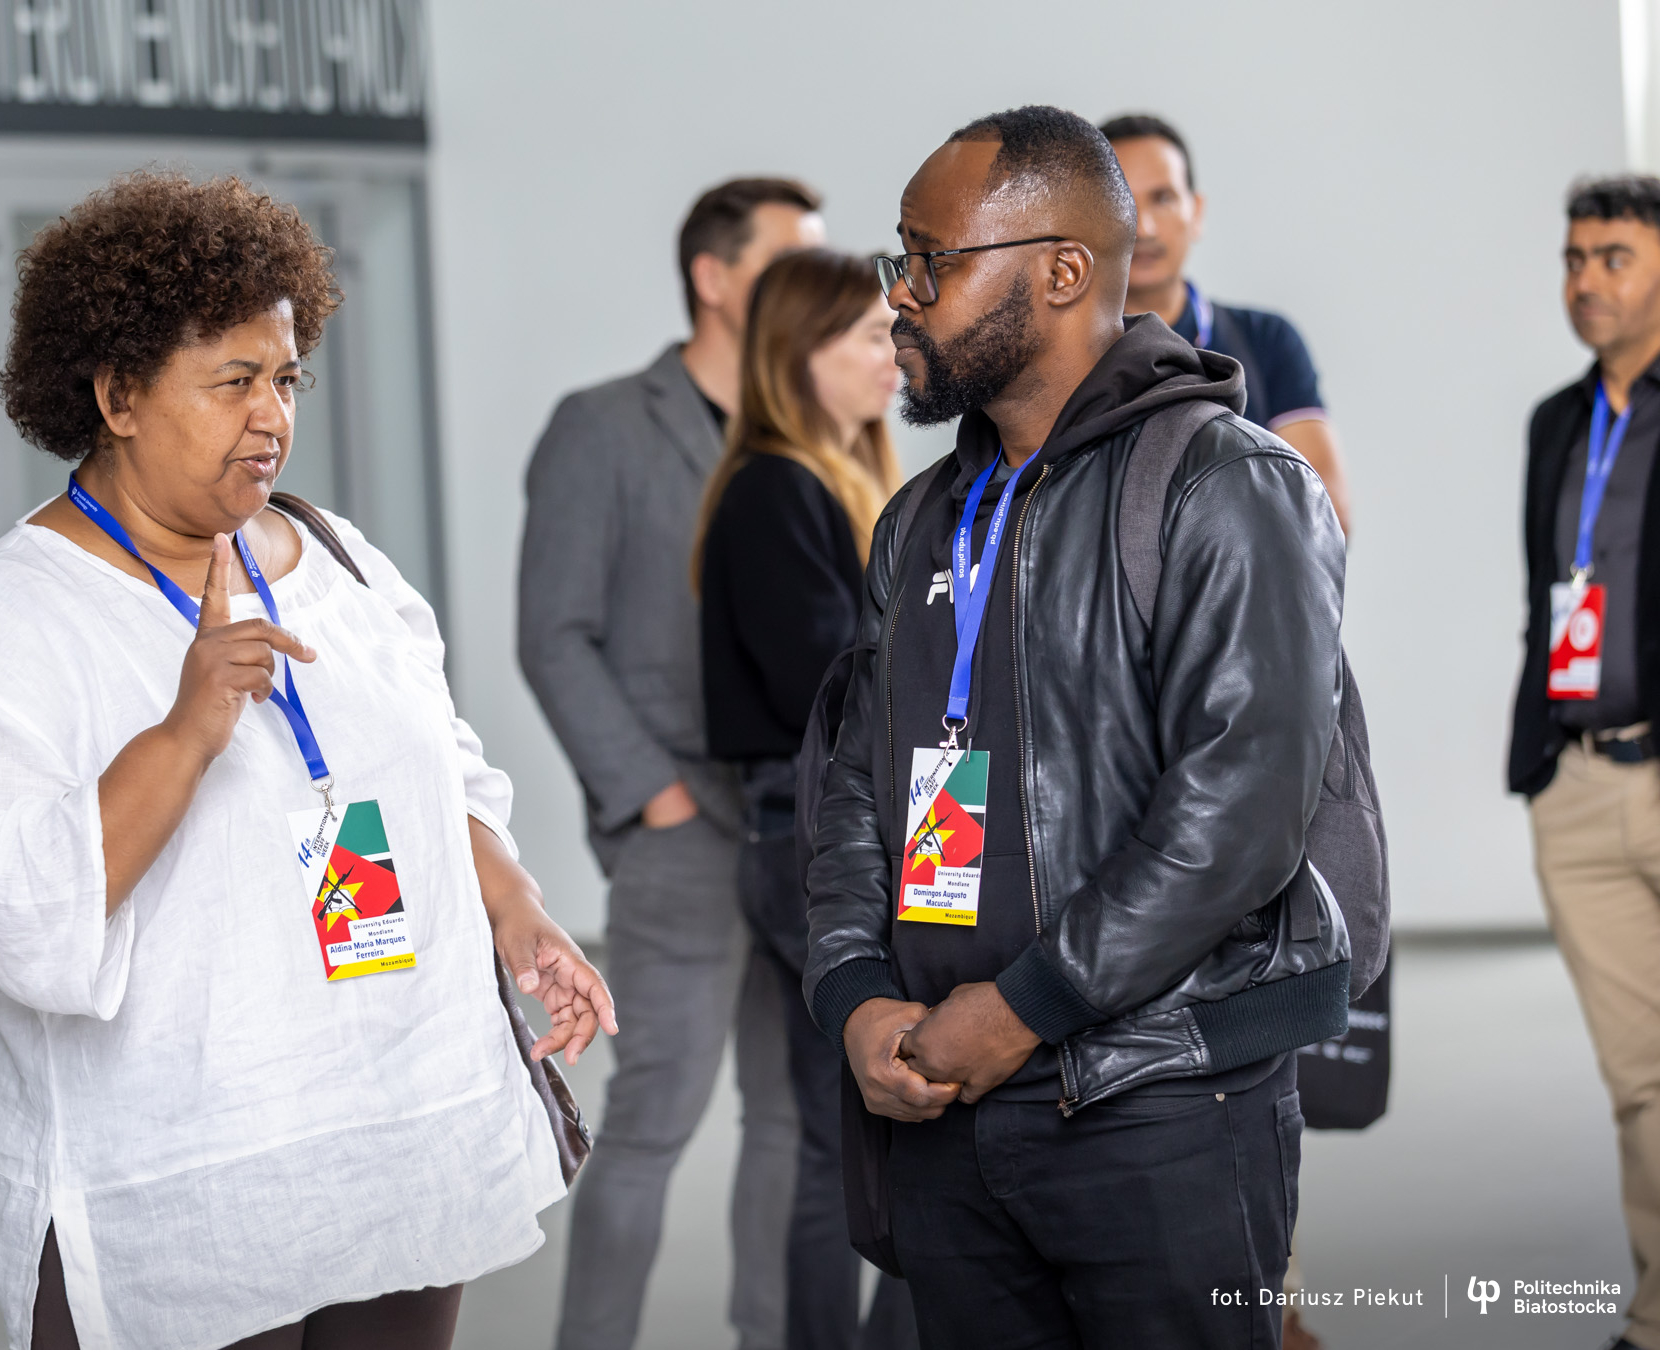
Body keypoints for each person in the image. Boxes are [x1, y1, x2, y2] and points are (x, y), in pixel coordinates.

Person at [0, 171, 613, 1350]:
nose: (272, 417)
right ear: (118, 396)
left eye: (286, 379)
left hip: (398, 1143)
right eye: (232, 382)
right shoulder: (1, 626)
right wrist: (185, 735)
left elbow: (439, 770)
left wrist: (517, 910)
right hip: (186, 1193)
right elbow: (9, 913)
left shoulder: (337, 558)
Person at [803, 105, 1349, 1348]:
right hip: (939, 1102)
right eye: (901, 260)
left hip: (1156, 1103)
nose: (901, 296)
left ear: (1062, 271)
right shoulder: (921, 521)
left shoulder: (1226, 485)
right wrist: (855, 994)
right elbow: (854, 784)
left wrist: (1024, 1007)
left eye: (933, 261)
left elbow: (1241, 815)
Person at [519, 177, 823, 1350]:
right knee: (649, 1125)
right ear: (714, 275)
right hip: (680, 825)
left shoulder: (811, 421)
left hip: (796, 822)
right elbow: (554, 634)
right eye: (789, 259)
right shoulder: (603, 425)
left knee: (792, 1119)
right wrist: (650, 797)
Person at [693, 248, 917, 1350]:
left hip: (819, 828)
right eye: (869, 337)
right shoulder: (775, 491)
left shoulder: (840, 479)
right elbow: (831, 687)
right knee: (879, 1136)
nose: (895, 356)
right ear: (799, 354)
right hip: (816, 833)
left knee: (844, 1138)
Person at [1510, 174, 1660, 1350]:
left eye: (1614, 256)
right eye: (1574, 257)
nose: (1586, 280)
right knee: (1640, 1078)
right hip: (1577, 780)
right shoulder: (1556, 422)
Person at [1099, 112, 1355, 534]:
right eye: (1121, 201)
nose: (1144, 227)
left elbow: (1326, 516)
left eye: (1163, 198)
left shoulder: (1267, 341)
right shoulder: (1063, 356)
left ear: (1196, 212)